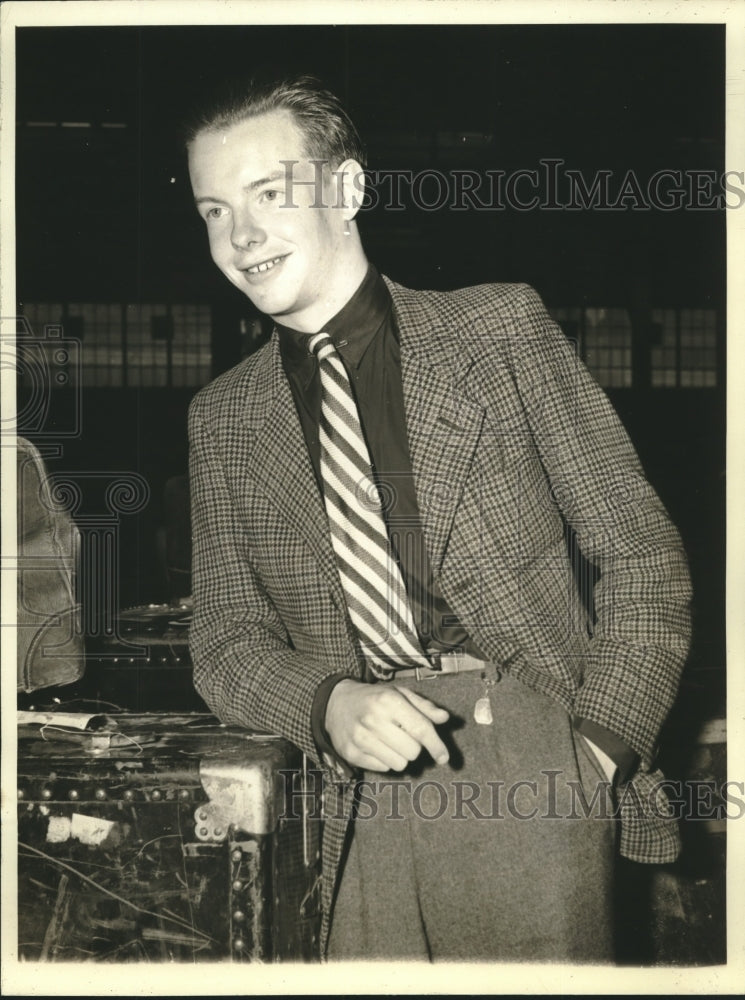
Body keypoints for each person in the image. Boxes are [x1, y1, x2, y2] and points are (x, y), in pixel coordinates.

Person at [185, 76, 692, 962]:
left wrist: (595, 752)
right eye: (214, 210)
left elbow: (643, 556)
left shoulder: (498, 331)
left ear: (345, 190)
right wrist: (325, 703)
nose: (242, 236)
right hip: (347, 791)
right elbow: (225, 639)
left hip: (533, 764)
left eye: (270, 195)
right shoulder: (222, 418)